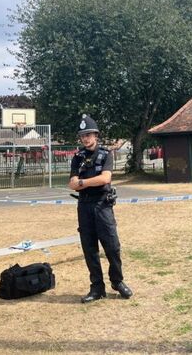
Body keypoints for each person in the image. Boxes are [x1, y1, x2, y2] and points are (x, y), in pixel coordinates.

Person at [69, 114, 133, 303]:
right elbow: (71, 184)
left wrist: (82, 182)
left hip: (102, 205)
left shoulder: (106, 154)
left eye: (88, 134)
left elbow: (105, 178)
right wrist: (86, 183)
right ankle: (97, 288)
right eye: (83, 135)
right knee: (90, 249)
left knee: (112, 247)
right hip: (84, 206)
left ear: (96, 135)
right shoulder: (77, 157)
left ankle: (117, 281)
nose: (85, 138)